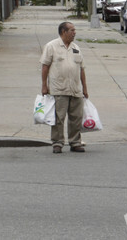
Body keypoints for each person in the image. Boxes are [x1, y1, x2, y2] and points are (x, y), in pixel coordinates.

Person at [40, 21, 89, 153]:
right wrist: (44, 85)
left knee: (76, 118)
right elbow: (45, 66)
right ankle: (57, 143)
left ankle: (75, 142)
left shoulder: (76, 48)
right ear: (63, 32)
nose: (74, 33)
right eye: (72, 30)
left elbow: (82, 69)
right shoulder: (51, 46)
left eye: (74, 30)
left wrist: (85, 88)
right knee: (58, 118)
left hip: (75, 89)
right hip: (59, 88)